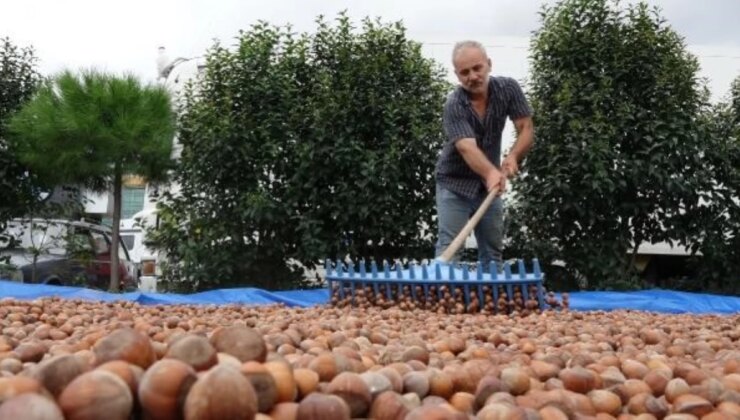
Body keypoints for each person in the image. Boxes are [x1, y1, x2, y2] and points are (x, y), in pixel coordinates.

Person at [435, 40, 534, 268]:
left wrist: (513, 156)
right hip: (454, 183)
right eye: (465, 72)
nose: (472, 76)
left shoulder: (508, 89)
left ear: (488, 64)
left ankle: (491, 299)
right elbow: (465, 147)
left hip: (487, 186)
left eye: (477, 68)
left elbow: (526, 128)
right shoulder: (455, 104)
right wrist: (491, 172)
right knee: (450, 251)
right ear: (458, 75)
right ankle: (442, 298)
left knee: (492, 251)